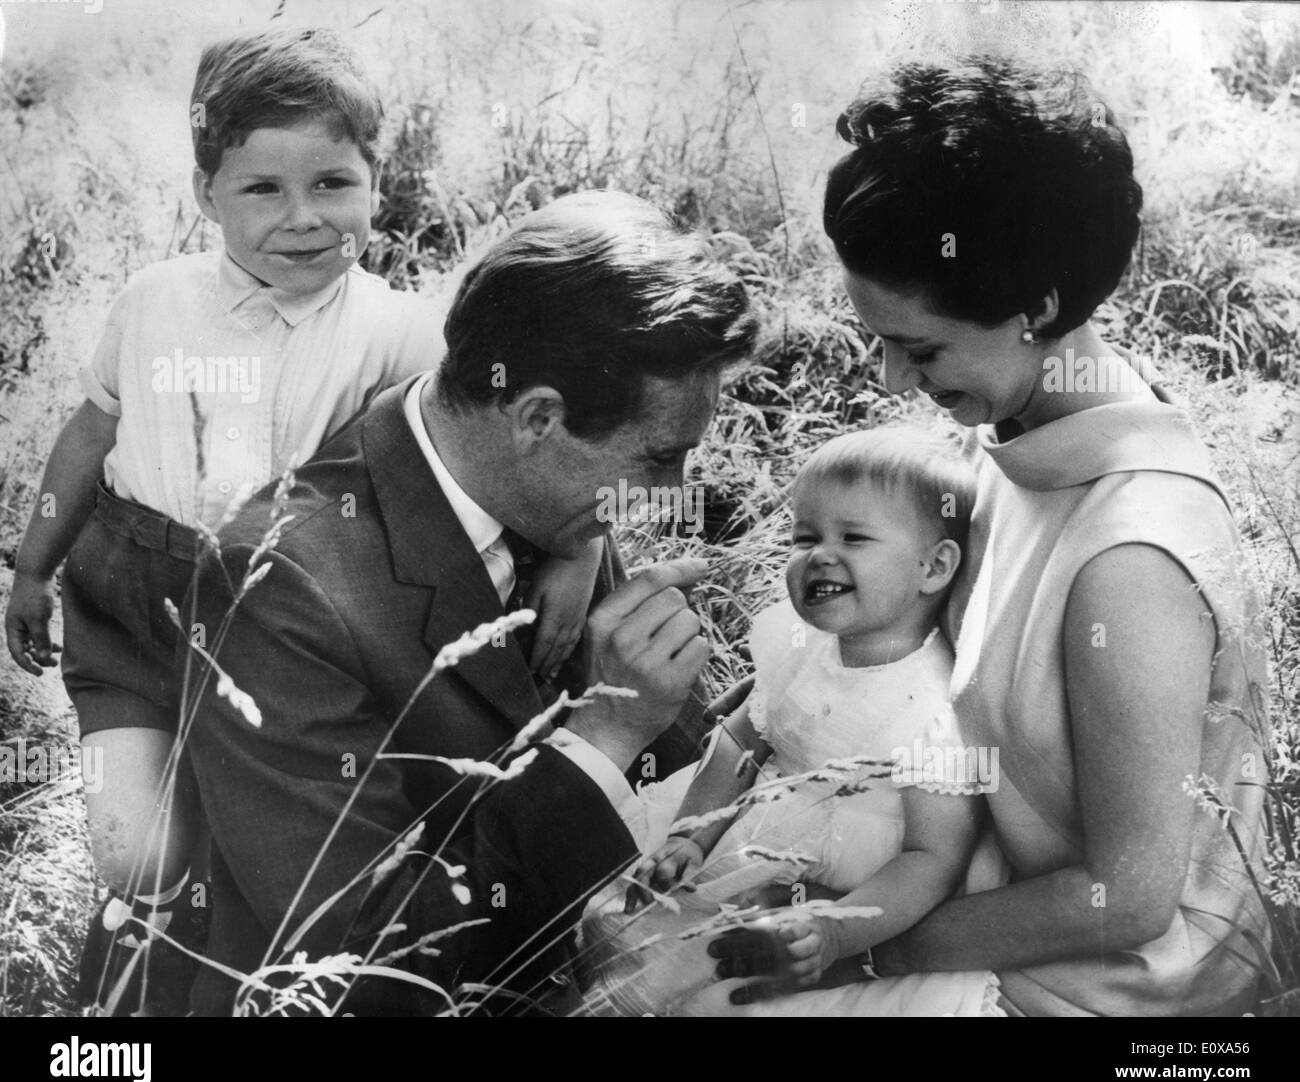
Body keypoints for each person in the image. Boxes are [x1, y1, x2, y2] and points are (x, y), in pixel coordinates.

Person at [1, 26, 596, 1015]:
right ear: (206, 195)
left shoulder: (401, 330)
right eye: (261, 190)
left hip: (288, 631)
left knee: (260, 854)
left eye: (332, 183)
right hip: (134, 601)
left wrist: (577, 546)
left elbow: (510, 444)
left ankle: (215, 973)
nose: (303, 219)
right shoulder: (155, 303)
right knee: (137, 849)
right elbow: (89, 431)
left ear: (375, 178)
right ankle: (131, 938)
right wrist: (32, 565)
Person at [709, 56, 1271, 1016]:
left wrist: (850, 951)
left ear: (1038, 309)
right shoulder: (1022, 434)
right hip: (941, 879)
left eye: (920, 349)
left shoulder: (1130, 559)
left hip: (1087, 994)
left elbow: (1126, 899)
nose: (890, 383)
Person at [181, 189, 759, 1016]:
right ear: (537, 417)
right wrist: (605, 737)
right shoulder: (279, 584)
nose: (672, 494)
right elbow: (359, 964)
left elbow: (667, 782)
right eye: (662, 458)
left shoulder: (541, 491)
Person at [579, 427, 1006, 1016]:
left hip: (845, 897)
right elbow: (740, 745)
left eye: (854, 538)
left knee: (729, 998)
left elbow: (932, 859)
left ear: (932, 567)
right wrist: (691, 833)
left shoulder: (934, 704)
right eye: (804, 536)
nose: (819, 556)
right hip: (743, 841)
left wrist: (834, 932)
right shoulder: (796, 643)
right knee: (621, 927)